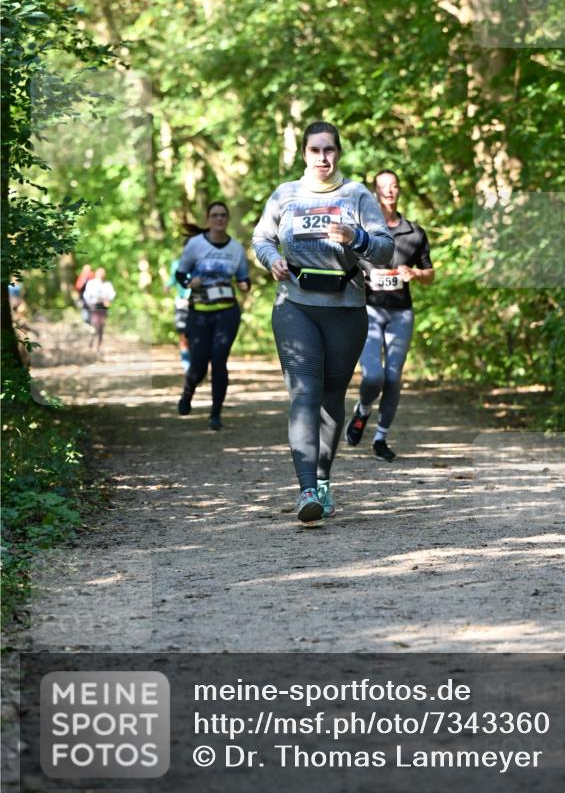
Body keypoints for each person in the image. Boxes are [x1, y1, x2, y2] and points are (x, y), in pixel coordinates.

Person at [252, 121, 393, 525]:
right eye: (315, 150)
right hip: (295, 305)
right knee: (304, 393)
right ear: (304, 154)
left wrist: (356, 238)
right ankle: (306, 490)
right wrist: (271, 259)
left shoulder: (357, 195)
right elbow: (261, 238)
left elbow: (385, 250)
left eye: (329, 150)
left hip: (346, 308)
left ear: (339, 153)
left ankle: (323, 480)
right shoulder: (285, 194)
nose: (322, 158)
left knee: (331, 398)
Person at [346, 169, 434, 461]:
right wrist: (359, 278)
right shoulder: (362, 231)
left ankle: (380, 438)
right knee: (374, 376)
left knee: (393, 378)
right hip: (368, 311)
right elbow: (344, 265)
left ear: (399, 190)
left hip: (401, 313)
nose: (389, 191)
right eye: (383, 187)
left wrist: (414, 273)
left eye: (393, 186)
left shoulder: (414, 233)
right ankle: (363, 410)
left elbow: (430, 274)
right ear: (375, 192)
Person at [175, 201, 250, 431]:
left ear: (227, 219)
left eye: (223, 215)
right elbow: (180, 274)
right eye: (215, 215)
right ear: (208, 219)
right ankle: (188, 391)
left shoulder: (236, 248)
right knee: (198, 366)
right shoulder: (196, 244)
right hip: (199, 313)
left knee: (219, 360)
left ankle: (215, 414)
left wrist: (245, 285)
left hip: (227, 312)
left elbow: (243, 278)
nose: (220, 219)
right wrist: (190, 282)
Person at [83, 267, 116, 352]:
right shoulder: (91, 283)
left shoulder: (107, 284)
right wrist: (90, 303)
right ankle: (91, 342)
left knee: (101, 325)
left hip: (103, 306)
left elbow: (112, 295)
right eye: (99, 273)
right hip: (93, 306)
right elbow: (87, 295)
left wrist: (107, 299)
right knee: (94, 324)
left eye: (102, 273)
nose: (101, 275)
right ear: (96, 274)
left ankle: (98, 345)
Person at [166, 259, 191, 372]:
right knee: (183, 335)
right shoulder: (177, 264)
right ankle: (187, 367)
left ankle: (198, 365)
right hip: (182, 303)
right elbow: (173, 278)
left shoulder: (201, 261)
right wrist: (168, 285)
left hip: (199, 303)